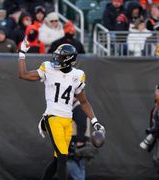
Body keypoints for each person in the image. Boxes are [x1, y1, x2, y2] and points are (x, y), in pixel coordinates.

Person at [18, 40, 105, 180]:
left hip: (67, 120)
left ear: (68, 60)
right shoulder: (48, 68)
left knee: (57, 160)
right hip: (52, 117)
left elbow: (83, 102)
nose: (55, 59)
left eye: (60, 57)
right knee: (63, 157)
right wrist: (22, 54)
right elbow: (24, 75)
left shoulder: (78, 75)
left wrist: (95, 122)